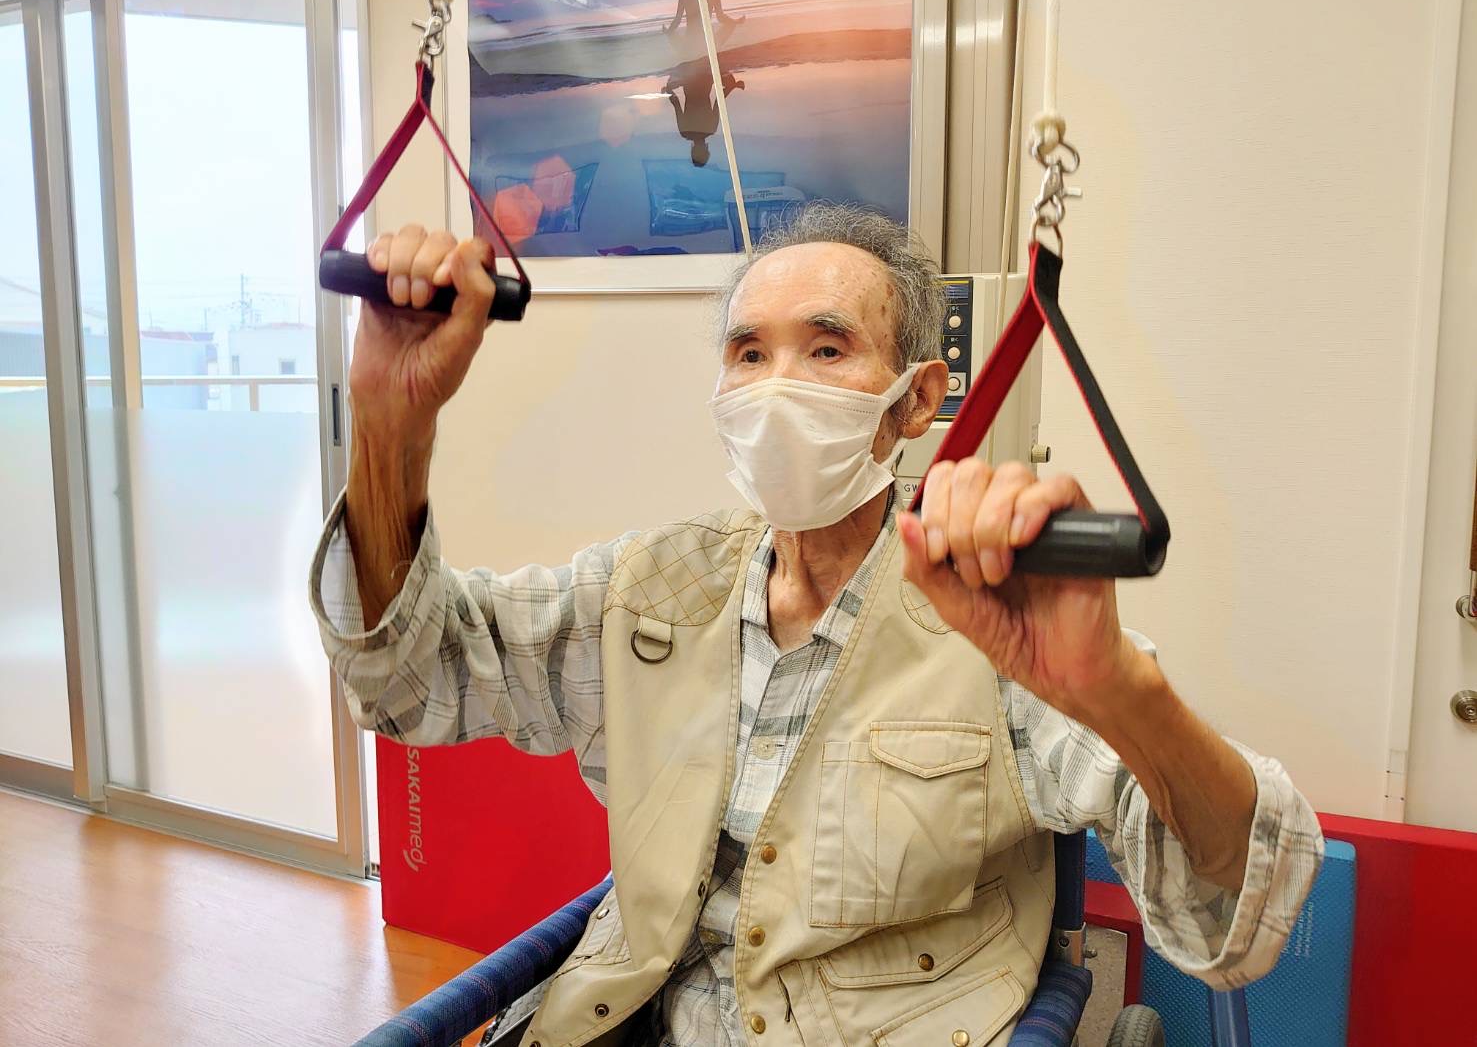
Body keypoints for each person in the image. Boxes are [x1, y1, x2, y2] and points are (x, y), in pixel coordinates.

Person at [310, 203, 1323, 1046]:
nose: (776, 386)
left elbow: (1236, 911)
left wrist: (1114, 691)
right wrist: (391, 420)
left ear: (915, 401)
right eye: (748, 353)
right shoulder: (646, 588)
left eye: (826, 348)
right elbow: (408, 678)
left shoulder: (997, 614)